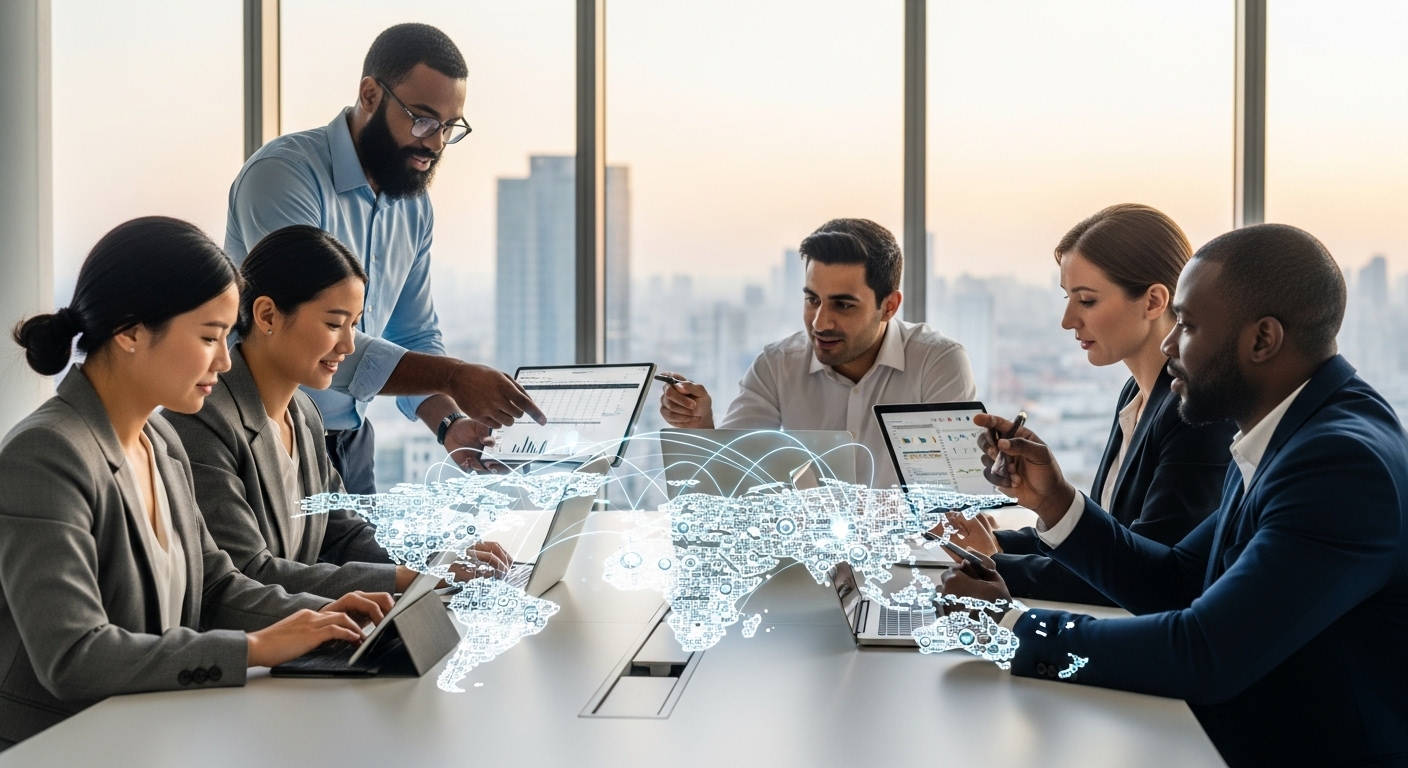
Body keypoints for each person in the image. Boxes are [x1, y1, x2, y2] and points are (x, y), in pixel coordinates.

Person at [942, 224, 1408, 766]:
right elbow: (1178, 580)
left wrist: (1012, 627)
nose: (1168, 344)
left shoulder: (1339, 465)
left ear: (1262, 340)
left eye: (1186, 325)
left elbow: (1206, 653)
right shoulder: (1287, 427)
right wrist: (1054, 501)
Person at [0, 218, 393, 748]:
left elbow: (215, 585)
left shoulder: (160, 440)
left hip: (151, 734)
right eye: (209, 337)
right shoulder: (46, 453)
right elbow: (73, 656)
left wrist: (322, 616)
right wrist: (255, 648)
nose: (226, 360)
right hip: (56, 746)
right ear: (130, 331)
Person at [225, 23, 544, 493]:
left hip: (351, 442)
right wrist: (454, 376)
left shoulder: (413, 207)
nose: (435, 143)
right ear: (370, 95)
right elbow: (306, 333)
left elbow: (412, 333)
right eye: (423, 120)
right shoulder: (284, 176)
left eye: (449, 127)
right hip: (265, 437)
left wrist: (449, 423)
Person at [165, 226, 510, 600]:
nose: (348, 345)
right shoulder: (203, 421)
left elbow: (344, 533)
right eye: (333, 324)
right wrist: (410, 579)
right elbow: (250, 574)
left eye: (354, 325)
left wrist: (435, 557)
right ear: (267, 316)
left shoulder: (305, 415)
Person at [947, 205, 1235, 605]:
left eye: (1086, 301)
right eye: (1068, 298)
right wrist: (1000, 540)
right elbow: (1110, 536)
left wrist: (994, 563)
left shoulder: (1194, 413)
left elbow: (1143, 574)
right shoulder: (1136, 394)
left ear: (1153, 301)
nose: (1068, 320)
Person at [658, 218, 976, 488]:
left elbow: (954, 499)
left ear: (889, 306)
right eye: (812, 300)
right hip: (806, 543)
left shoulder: (937, 363)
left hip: (911, 544)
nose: (820, 323)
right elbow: (729, 476)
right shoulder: (777, 365)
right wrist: (700, 426)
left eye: (843, 305)